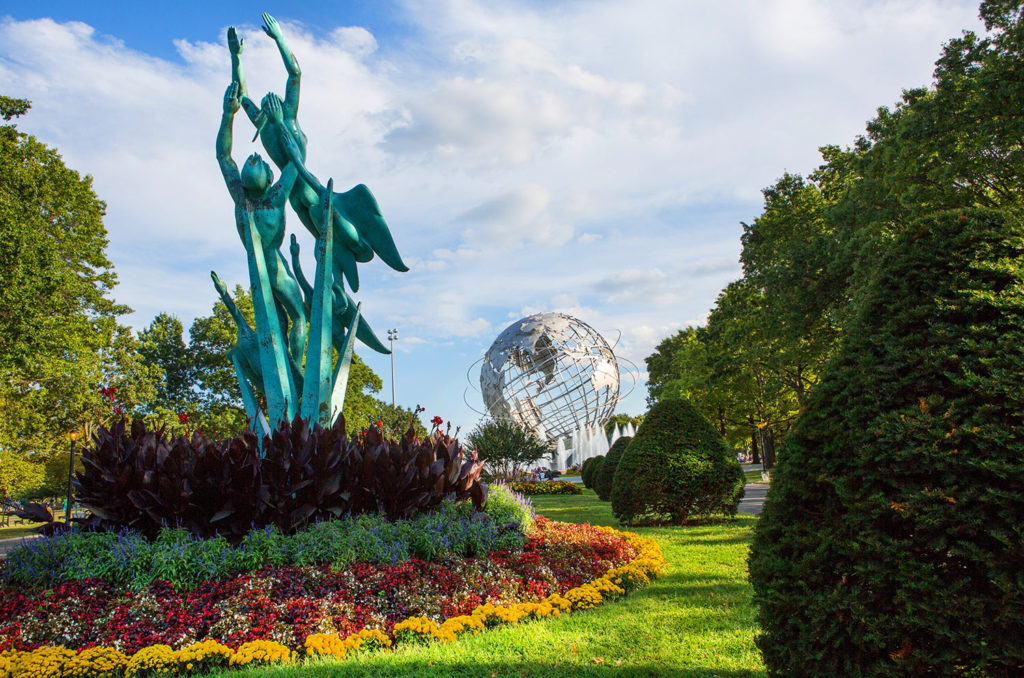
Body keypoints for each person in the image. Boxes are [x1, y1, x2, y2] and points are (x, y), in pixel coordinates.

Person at [227, 14, 408, 293]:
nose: (264, 101)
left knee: (333, 234)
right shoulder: (264, 124)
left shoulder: (286, 116)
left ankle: (355, 256)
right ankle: (336, 289)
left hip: (314, 195)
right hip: (298, 203)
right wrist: (236, 59)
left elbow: (295, 74)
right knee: (323, 246)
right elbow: (240, 96)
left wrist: (280, 39)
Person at [216, 81, 307, 365]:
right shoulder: (275, 196)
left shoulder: (240, 198)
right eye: (260, 162)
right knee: (299, 316)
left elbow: (223, 156)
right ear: (269, 180)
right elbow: (297, 160)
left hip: (257, 270)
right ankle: (294, 367)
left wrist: (227, 115)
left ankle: (289, 369)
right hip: (273, 266)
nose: (256, 156)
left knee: (279, 321)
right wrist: (280, 122)